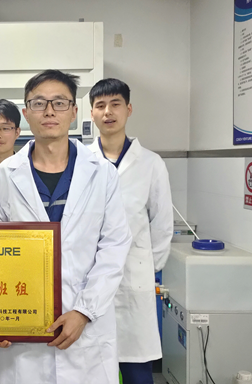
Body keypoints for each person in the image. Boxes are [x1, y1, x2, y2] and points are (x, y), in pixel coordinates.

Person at [0, 70, 132, 384]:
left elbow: (114, 247)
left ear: (74, 111)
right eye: (39, 103)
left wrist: (84, 311)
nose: (49, 111)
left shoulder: (102, 173)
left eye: (60, 102)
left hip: (88, 330)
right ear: (26, 113)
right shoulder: (7, 174)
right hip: (24, 328)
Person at [88, 78, 173, 384]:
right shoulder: (81, 161)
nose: (108, 112)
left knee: (137, 370)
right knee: (93, 368)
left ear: (129, 109)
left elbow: (162, 225)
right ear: (91, 113)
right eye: (100, 106)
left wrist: (144, 266)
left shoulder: (151, 163)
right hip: (90, 279)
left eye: (115, 104)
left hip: (134, 279)